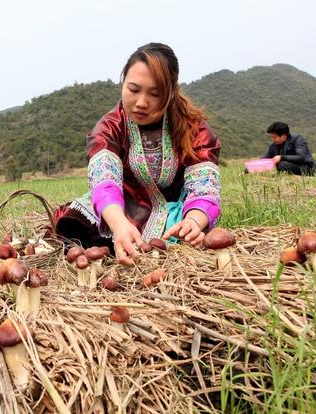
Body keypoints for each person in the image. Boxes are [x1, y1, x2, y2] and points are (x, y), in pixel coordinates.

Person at [54, 42, 221, 263]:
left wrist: (193, 222)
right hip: (120, 205)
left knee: (187, 237)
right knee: (71, 223)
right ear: (123, 83)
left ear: (171, 93)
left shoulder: (193, 128)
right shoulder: (111, 125)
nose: (141, 103)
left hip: (175, 214)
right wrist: (119, 224)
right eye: (133, 89)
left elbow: (204, 187)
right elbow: (104, 178)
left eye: (155, 94)